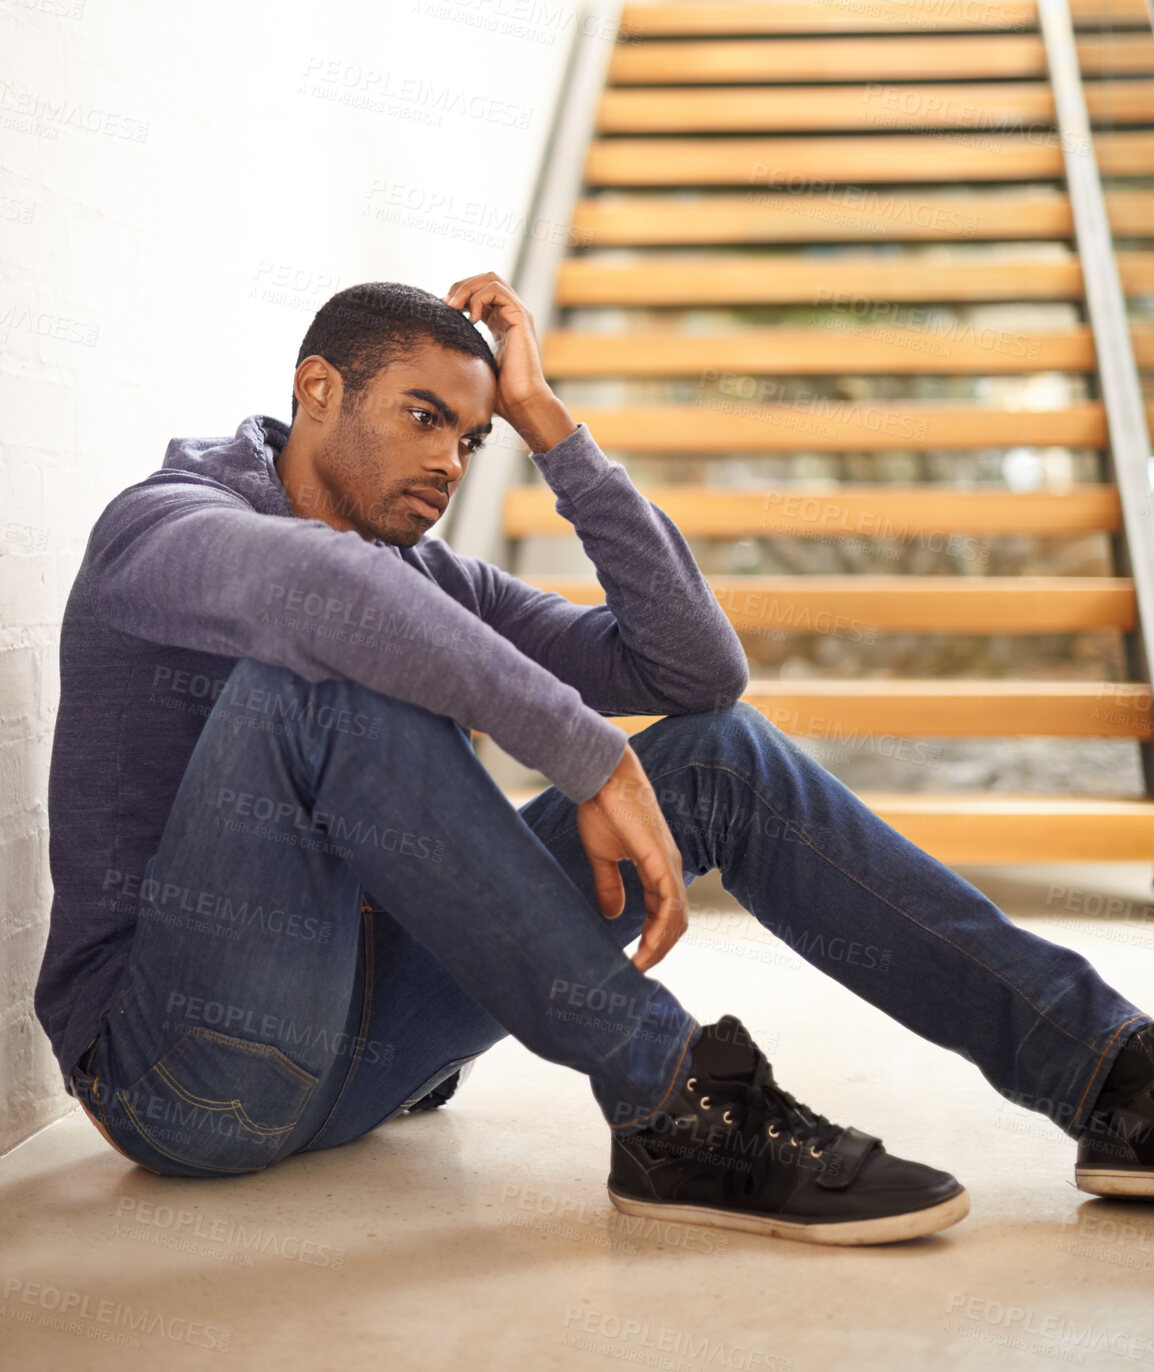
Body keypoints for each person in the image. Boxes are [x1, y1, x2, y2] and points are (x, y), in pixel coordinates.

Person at [34, 273, 1154, 1249]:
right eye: (424, 416)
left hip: (372, 1060)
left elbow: (695, 673)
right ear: (316, 389)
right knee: (320, 678)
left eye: (469, 439)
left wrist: (550, 428)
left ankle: (1104, 1070)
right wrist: (589, 760)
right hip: (181, 1075)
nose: (447, 462)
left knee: (718, 754)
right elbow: (322, 594)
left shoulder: (422, 571)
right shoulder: (166, 524)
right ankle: (675, 1101)